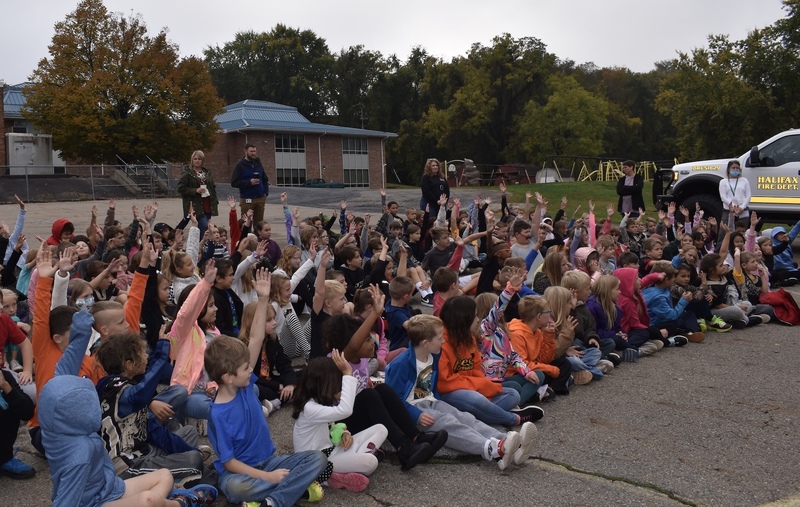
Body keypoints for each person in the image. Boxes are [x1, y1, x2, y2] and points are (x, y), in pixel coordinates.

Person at [385, 314, 537, 470]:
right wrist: (416, 415)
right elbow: (394, 400)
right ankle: (493, 448)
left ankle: (508, 441)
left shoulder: (433, 355)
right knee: (448, 424)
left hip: (432, 401)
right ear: (425, 343)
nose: (443, 341)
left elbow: (430, 385)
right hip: (413, 409)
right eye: (439, 338)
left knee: (465, 418)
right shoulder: (401, 364)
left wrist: (438, 401)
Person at [204, 335, 328, 506]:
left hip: (269, 462)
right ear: (228, 377)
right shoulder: (217, 414)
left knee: (318, 459)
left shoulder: (244, 386)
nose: (250, 370)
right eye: (246, 368)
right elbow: (229, 462)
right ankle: (291, 491)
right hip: (239, 473)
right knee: (234, 488)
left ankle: (271, 501)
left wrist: (263, 306)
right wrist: (267, 477)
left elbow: (256, 338)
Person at [292, 352, 386, 492]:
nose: (340, 386)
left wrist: (344, 433)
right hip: (318, 461)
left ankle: (350, 464)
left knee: (381, 429)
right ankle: (331, 476)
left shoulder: (320, 401)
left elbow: (332, 426)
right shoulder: (309, 408)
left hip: (332, 450)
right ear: (324, 385)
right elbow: (346, 410)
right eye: (337, 382)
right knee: (370, 462)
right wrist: (348, 373)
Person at [177, 150, 219, 237]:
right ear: (192, 160)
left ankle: (201, 247)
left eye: (199, 159)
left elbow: (212, 187)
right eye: (195, 159)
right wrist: (195, 190)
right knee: (205, 228)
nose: (197, 161)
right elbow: (181, 188)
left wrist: (214, 200)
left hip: (208, 203)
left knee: (202, 230)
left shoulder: (207, 172)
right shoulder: (188, 173)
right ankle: (202, 246)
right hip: (196, 205)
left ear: (202, 160)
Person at [231, 143, 269, 224]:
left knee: (259, 224)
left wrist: (265, 192)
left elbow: (265, 179)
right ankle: (245, 236)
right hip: (247, 199)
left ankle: (257, 237)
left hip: (260, 198)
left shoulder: (258, 164)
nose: (253, 153)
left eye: (255, 151)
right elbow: (234, 182)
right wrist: (249, 182)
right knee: (246, 223)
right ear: (245, 151)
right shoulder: (240, 165)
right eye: (251, 151)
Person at [718, 160, 751, 228]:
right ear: (728, 169)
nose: (735, 170)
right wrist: (733, 207)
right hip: (728, 210)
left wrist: (742, 207)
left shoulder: (744, 180)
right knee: (725, 231)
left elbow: (748, 195)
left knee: (742, 232)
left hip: (742, 210)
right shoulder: (723, 182)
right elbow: (723, 197)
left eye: (737, 168)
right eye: (733, 168)